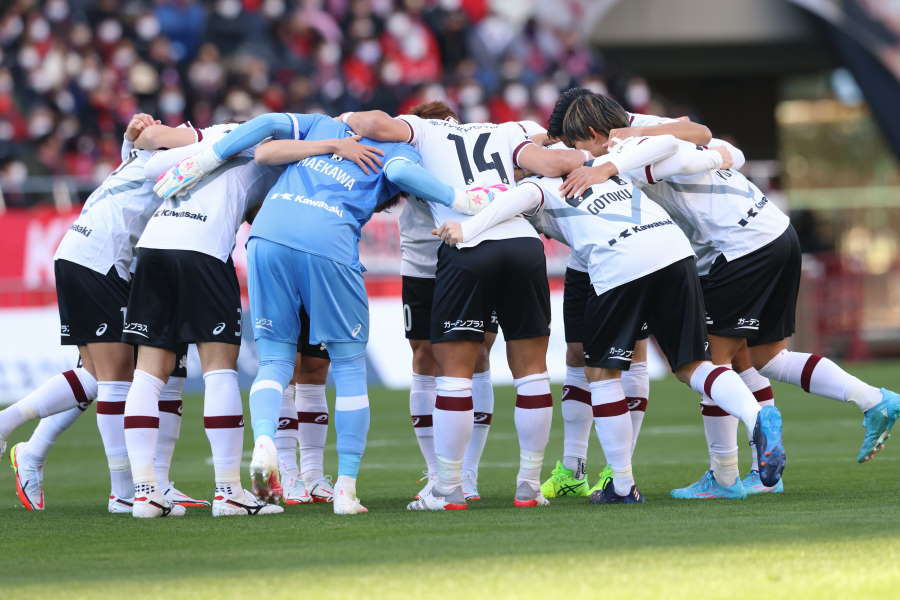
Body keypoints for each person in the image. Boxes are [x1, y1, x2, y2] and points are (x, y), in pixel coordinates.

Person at [153, 111, 494, 515]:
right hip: (327, 239)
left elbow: (264, 143)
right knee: (349, 366)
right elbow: (405, 174)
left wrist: (205, 159)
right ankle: (346, 489)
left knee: (275, 362)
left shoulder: (323, 123)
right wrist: (463, 199)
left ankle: (264, 441)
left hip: (266, 236)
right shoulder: (402, 149)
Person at [435, 126, 786, 503]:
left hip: (620, 261)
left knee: (602, 374)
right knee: (692, 364)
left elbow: (506, 202)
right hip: (674, 253)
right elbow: (666, 142)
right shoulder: (608, 166)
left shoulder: (540, 187)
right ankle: (756, 417)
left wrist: (466, 228)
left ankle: (621, 485)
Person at [345, 104, 593, 510]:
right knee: (531, 369)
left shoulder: (423, 131)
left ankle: (449, 488)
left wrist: (344, 122)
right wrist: (589, 157)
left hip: (466, 244)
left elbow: (373, 124)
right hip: (523, 245)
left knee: (455, 373)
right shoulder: (508, 130)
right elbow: (552, 162)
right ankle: (528, 484)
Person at [0, 114, 201, 512]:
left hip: (78, 255)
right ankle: (123, 490)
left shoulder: (137, 161)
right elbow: (196, 146)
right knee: (116, 379)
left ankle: (27, 445)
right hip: (99, 261)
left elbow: (142, 144)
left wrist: (135, 133)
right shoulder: (169, 162)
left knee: (94, 374)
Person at [275, 309, 334, 505]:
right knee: (287, 366)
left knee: (316, 367)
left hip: (317, 285)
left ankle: (313, 475)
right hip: (283, 284)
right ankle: (288, 474)